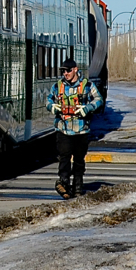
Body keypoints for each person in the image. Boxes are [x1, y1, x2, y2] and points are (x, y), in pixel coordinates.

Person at [47, 56, 103, 199]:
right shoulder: (58, 86)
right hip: (63, 128)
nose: (65, 73)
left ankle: (78, 186)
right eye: (63, 71)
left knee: (79, 159)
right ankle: (64, 183)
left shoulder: (87, 86)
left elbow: (99, 100)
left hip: (81, 129)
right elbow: (48, 99)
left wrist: (87, 108)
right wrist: (52, 107)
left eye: (68, 70)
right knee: (64, 157)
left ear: (75, 70)